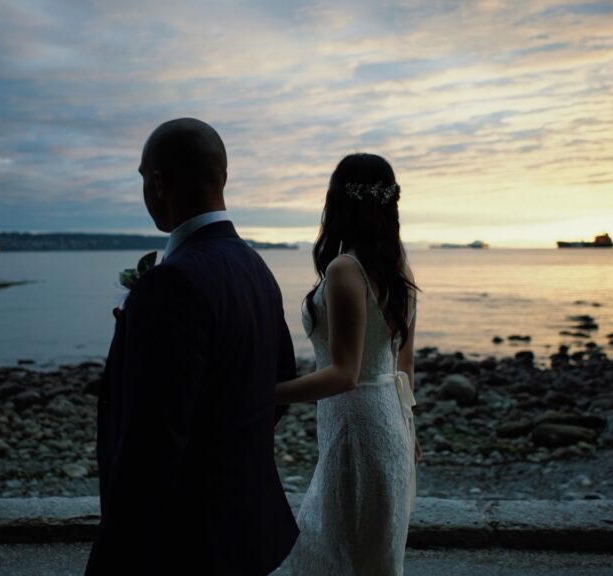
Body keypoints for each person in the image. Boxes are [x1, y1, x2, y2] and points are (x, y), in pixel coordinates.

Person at [85, 118, 299, 575]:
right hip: (245, 527)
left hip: (184, 541)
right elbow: (280, 380)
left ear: (159, 183)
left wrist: (114, 556)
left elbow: (151, 441)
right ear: (223, 177)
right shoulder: (256, 266)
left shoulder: (172, 282)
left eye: (143, 178)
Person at [277, 153, 421, 575]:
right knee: (369, 552)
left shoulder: (345, 269)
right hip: (390, 422)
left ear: (336, 200)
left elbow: (344, 374)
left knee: (338, 548)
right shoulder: (399, 269)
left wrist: (266, 393)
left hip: (356, 427)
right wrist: (410, 429)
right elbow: (404, 364)